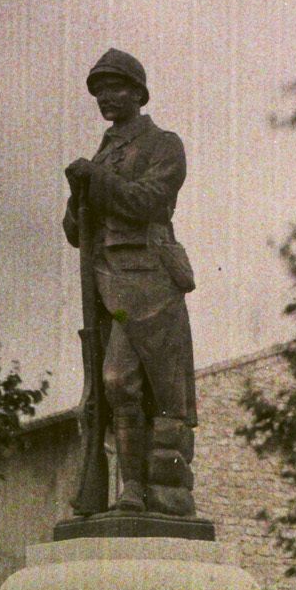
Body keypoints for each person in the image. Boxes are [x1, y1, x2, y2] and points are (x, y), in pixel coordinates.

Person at [63, 48, 198, 517]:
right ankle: (130, 488)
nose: (106, 97)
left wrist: (95, 180)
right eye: (99, 91)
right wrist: (77, 194)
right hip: (107, 284)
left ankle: (141, 488)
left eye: (115, 87)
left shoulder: (163, 144)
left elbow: (149, 201)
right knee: (114, 388)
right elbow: (76, 233)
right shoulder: (103, 154)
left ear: (139, 93)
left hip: (148, 282)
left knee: (128, 380)